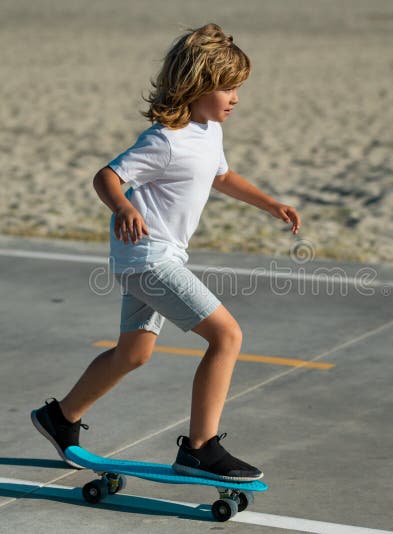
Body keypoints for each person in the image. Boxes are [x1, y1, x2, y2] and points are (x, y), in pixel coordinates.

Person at [31, 23, 301, 482]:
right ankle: (200, 448)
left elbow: (220, 176)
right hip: (147, 258)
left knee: (133, 354)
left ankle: (61, 417)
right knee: (227, 337)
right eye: (228, 87)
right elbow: (108, 176)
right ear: (197, 86)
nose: (236, 97)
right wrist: (121, 208)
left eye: (239, 87)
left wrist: (269, 203)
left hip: (158, 259)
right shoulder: (164, 139)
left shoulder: (209, 130)